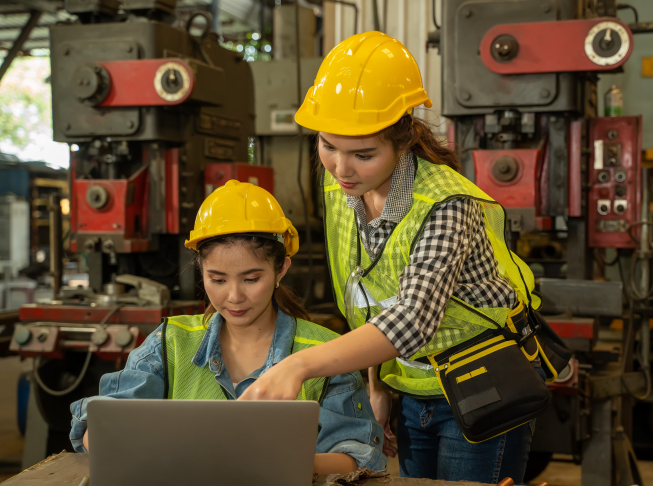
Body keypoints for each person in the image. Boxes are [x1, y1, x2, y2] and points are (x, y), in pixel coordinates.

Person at [239, 31, 547, 483]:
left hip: (482, 386)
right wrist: (376, 383)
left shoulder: (447, 204)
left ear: (402, 140)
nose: (341, 168)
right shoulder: (342, 188)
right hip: (411, 388)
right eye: (328, 146)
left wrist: (299, 364)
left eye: (363, 154)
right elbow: (368, 294)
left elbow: (412, 318)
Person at [69, 181, 388, 475]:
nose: (234, 297)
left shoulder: (325, 353)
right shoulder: (170, 344)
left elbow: (359, 455)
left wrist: (281, 464)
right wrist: (110, 442)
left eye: (251, 279)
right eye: (217, 279)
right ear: (200, 269)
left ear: (281, 269)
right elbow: (102, 424)